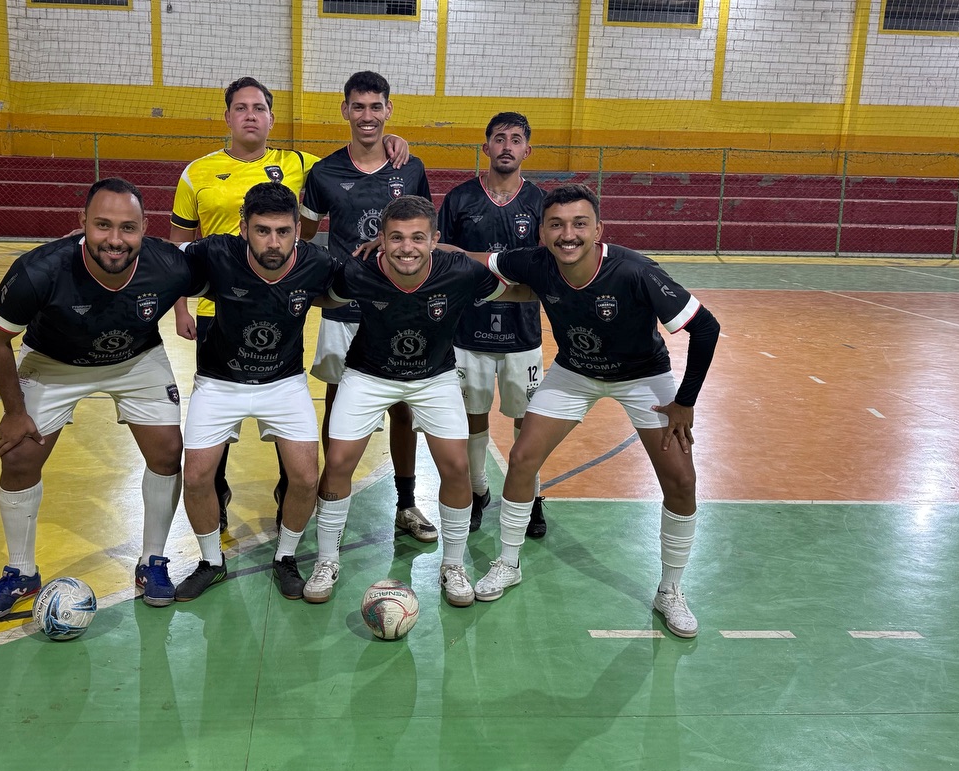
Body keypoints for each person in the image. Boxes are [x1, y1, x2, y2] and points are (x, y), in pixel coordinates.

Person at [456, 183, 720, 639]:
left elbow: (706, 327)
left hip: (642, 377)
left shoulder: (635, 271)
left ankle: (670, 590)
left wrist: (685, 402)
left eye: (580, 224)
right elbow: (471, 257)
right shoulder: (536, 262)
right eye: (556, 225)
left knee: (681, 478)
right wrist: (414, 242)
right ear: (542, 232)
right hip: (574, 372)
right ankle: (508, 562)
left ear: (599, 230)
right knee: (521, 459)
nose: (568, 234)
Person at [168, 77, 409, 532]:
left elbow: (356, 163)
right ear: (228, 117)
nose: (251, 115)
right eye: (241, 108)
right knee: (219, 418)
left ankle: (289, 496)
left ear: (271, 118)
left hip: (281, 310)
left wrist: (391, 141)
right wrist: (181, 306)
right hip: (216, 310)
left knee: (285, 411)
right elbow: (179, 245)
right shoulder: (196, 172)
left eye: (259, 107)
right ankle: (215, 498)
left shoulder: (299, 164)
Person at [0, 177, 205, 618]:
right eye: (102, 226)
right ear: (81, 223)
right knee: (19, 455)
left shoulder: (169, 266)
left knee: (167, 451)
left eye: (128, 228)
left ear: (144, 228)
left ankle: (152, 562)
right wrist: (13, 411)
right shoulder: (39, 270)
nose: (115, 240)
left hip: (135, 359)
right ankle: (21, 572)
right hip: (53, 361)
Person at [302, 194, 533, 608]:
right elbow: (324, 297)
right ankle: (326, 560)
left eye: (417, 238)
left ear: (435, 240)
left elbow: (516, 291)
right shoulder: (358, 271)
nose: (406, 247)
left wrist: (568, 299)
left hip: (434, 377)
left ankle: (454, 565)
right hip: (368, 374)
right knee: (337, 462)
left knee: (457, 465)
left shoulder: (458, 270)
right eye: (396, 238)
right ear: (381, 240)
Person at [172, 182, 342, 601]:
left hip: (284, 382)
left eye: (284, 231)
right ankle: (211, 562)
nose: (274, 241)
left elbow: (351, 290)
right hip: (218, 381)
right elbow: (161, 261)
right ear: (243, 227)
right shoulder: (215, 253)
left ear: (297, 231)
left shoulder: (316, 263)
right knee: (195, 477)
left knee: (305, 478)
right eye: (263, 230)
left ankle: (285, 557)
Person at [300, 70, 435, 542]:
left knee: (403, 407)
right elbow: (304, 237)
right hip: (343, 307)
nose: (367, 116)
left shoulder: (409, 168)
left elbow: (424, 237)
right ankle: (331, 496)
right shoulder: (323, 173)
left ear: (388, 110)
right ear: (345, 111)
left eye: (376, 107)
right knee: (337, 402)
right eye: (358, 106)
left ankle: (407, 503)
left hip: (400, 306)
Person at [437, 112, 548, 537]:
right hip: (468, 331)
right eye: (498, 138)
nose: (506, 146)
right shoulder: (461, 198)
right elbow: (440, 253)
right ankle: (479, 489)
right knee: (472, 415)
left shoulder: (540, 202)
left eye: (516, 139)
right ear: (485, 148)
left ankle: (531, 494)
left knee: (527, 421)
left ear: (526, 150)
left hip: (523, 334)